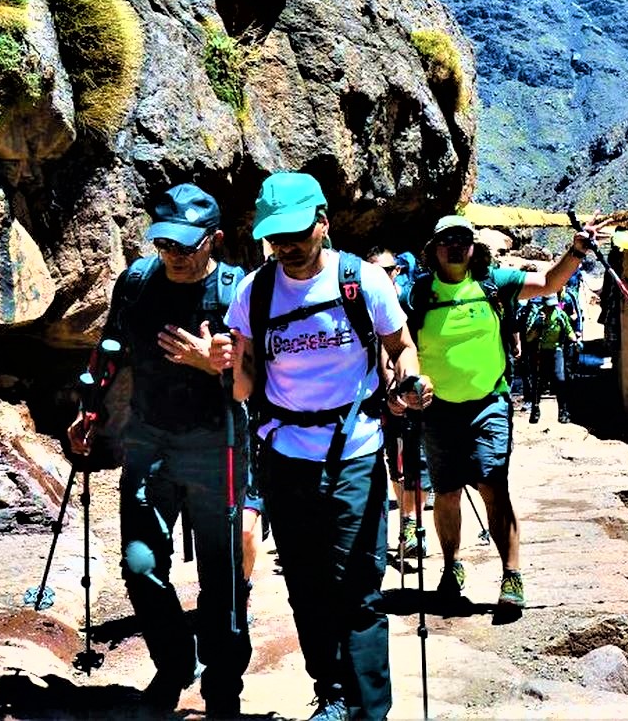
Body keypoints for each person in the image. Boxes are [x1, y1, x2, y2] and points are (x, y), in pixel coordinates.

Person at [227, 173, 432, 721]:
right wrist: (221, 364)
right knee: (306, 584)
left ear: (322, 222)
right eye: (276, 238)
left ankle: (370, 709)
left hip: (356, 453)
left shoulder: (362, 281)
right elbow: (244, 380)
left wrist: (410, 381)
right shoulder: (254, 291)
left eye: (296, 232)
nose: (286, 247)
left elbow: (400, 346)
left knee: (359, 587)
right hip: (284, 457)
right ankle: (334, 692)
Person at [67, 184, 247, 718]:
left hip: (219, 447)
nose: (174, 255)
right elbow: (112, 347)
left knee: (223, 576)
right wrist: (90, 409)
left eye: (186, 246)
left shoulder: (237, 291)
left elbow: (259, 376)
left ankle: (223, 686)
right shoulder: (138, 282)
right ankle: (174, 664)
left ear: (214, 240)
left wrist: (213, 364)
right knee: (139, 564)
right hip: (149, 440)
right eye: (165, 243)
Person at [405, 214, 597, 610]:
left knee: (493, 484)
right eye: (447, 240)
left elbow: (548, 282)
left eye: (463, 239)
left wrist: (576, 252)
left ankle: (512, 575)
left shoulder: (495, 283)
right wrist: (402, 385)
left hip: (488, 403)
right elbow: (399, 343)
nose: (455, 246)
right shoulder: (418, 294)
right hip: (436, 409)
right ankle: (451, 565)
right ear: (434, 249)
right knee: (446, 493)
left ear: (473, 247)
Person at [364, 246, 431, 561]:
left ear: (398, 272)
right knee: (396, 462)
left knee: (420, 464)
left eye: (389, 270)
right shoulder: (362, 305)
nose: (385, 276)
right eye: (377, 270)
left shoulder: (410, 303)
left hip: (415, 392)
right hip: (381, 400)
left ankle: (412, 524)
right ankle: (407, 522)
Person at [523, 293, 581, 424]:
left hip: (556, 351)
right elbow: (528, 338)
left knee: (560, 380)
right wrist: (536, 326)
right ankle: (535, 409)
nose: (551, 308)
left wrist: (576, 341)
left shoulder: (560, 314)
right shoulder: (537, 315)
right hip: (540, 351)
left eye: (553, 305)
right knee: (538, 382)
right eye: (548, 306)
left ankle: (563, 411)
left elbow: (569, 330)